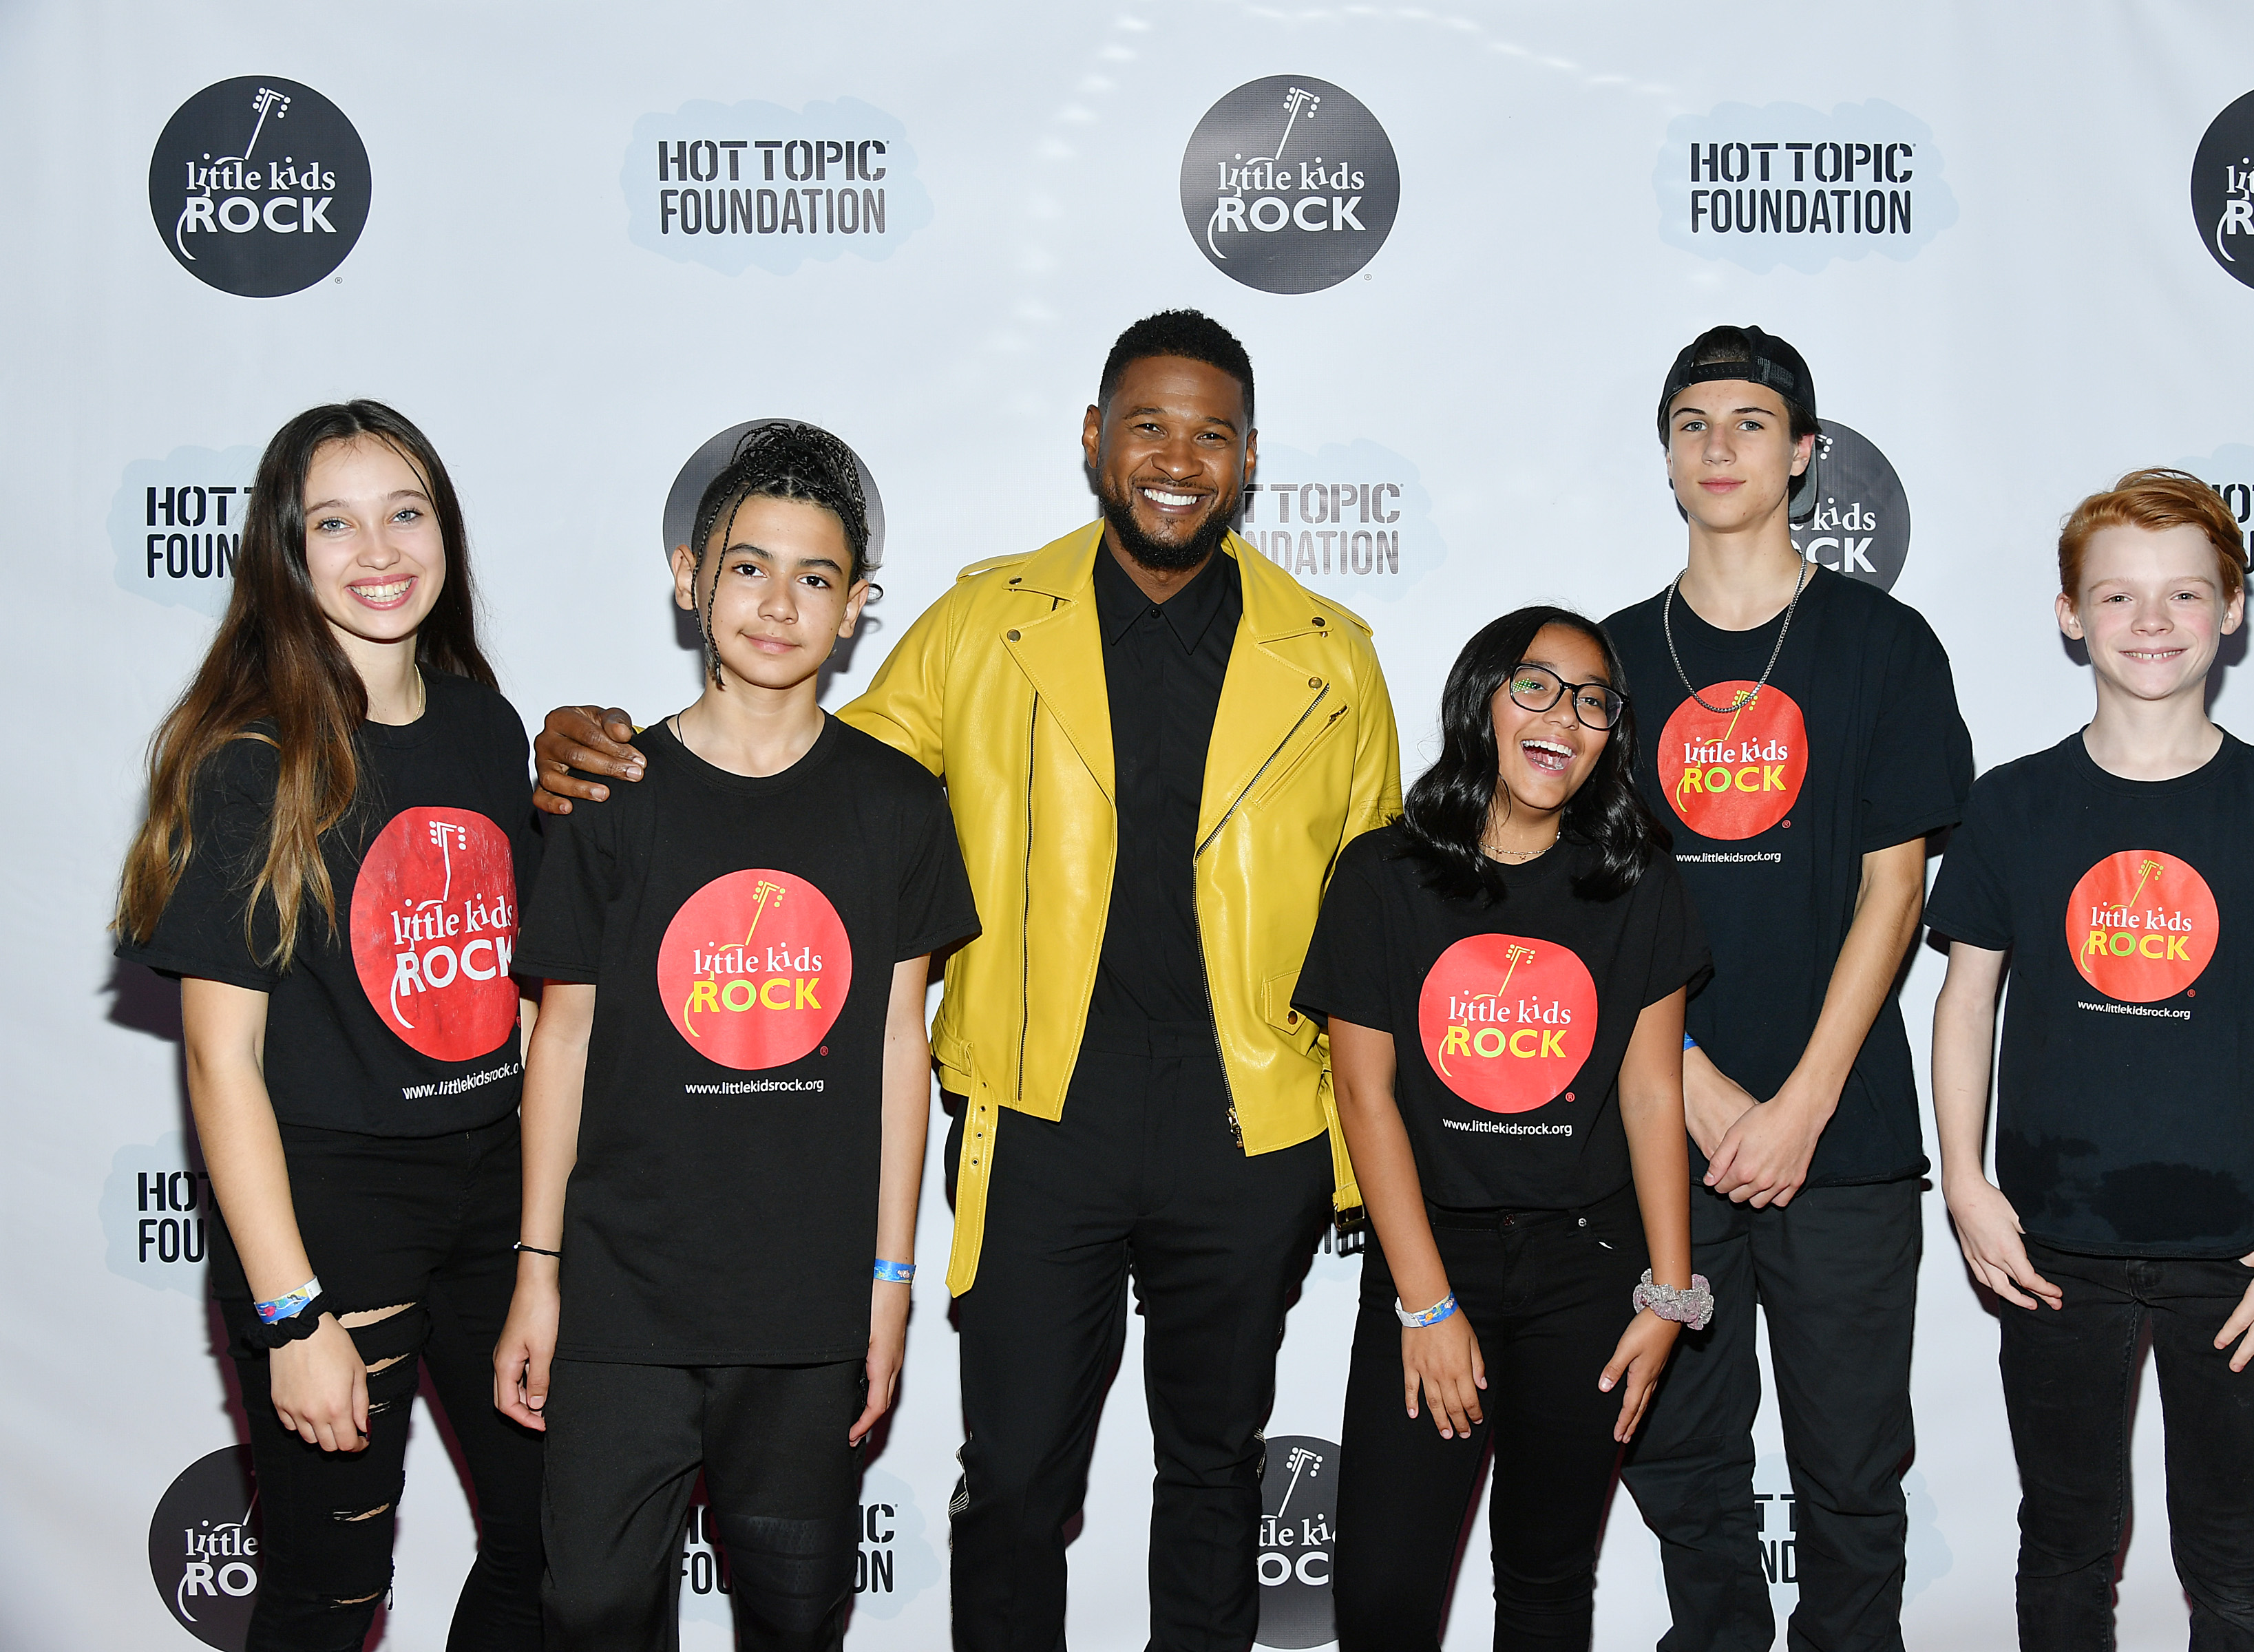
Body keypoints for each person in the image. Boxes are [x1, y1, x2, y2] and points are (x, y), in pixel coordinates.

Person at [525, 310, 1402, 1652]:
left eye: (1211, 432)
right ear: (1096, 441)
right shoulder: (991, 622)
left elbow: (1373, 931)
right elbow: (794, 766)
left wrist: (1351, 1162)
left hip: (1251, 1136)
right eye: (1148, 425)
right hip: (1036, 1124)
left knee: (1219, 1473)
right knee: (1012, 1488)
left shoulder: (1332, 657)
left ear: (1249, 459)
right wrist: (596, 747)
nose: (1178, 456)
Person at [491, 423, 979, 1650]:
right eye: (748, 566)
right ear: (688, 578)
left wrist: (889, 1284)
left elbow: (895, 1051)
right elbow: (560, 1044)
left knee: (795, 1614)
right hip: (621, 1301)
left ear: (858, 606)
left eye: (816, 578)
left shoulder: (897, 808)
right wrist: (538, 1273)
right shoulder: (607, 799)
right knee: (592, 1606)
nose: (777, 603)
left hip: (807, 1306)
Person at [1925, 469, 2254, 1650]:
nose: (2152, 622)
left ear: (2231, 610)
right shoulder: (2013, 807)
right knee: (2066, 1550)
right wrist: (1969, 1185)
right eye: (2120, 596)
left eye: (2184, 594)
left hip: (2246, 1256)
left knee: (2237, 1563)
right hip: (2052, 1248)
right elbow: (1963, 998)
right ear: (2069, 614)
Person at [113, 401, 544, 1650]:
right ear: (288, 558)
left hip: (494, 1197)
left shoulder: (480, 723)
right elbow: (218, 1061)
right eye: (335, 524)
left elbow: (509, 991)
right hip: (330, 1218)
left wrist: (547, 1239)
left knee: (555, 1546)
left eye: (405, 512)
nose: (379, 550)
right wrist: (292, 1317)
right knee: (331, 1597)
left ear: (446, 533)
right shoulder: (255, 759)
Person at [1601, 325, 1974, 1651]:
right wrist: (1695, 1092)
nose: (1720, 447)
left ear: (1805, 455)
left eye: (1752, 423)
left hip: (1847, 1140)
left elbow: (1897, 888)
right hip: (1659, 1137)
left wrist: (1802, 1102)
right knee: (1680, 1462)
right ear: (1665, 456)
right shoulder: (1603, 666)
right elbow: (1589, 914)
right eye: (1694, 423)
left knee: (1854, 1477)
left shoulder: (1884, 645)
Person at [1295, 607, 1711, 1651]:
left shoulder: (1635, 879)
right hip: (1437, 1263)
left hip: (1591, 1268)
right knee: (1385, 1598)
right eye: (1534, 686)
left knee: (1546, 1584)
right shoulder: (1383, 874)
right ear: (1481, 696)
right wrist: (1426, 1306)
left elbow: (1653, 1093)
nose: (1562, 718)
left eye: (1592, 702)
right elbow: (1364, 1096)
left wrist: (1670, 1292)